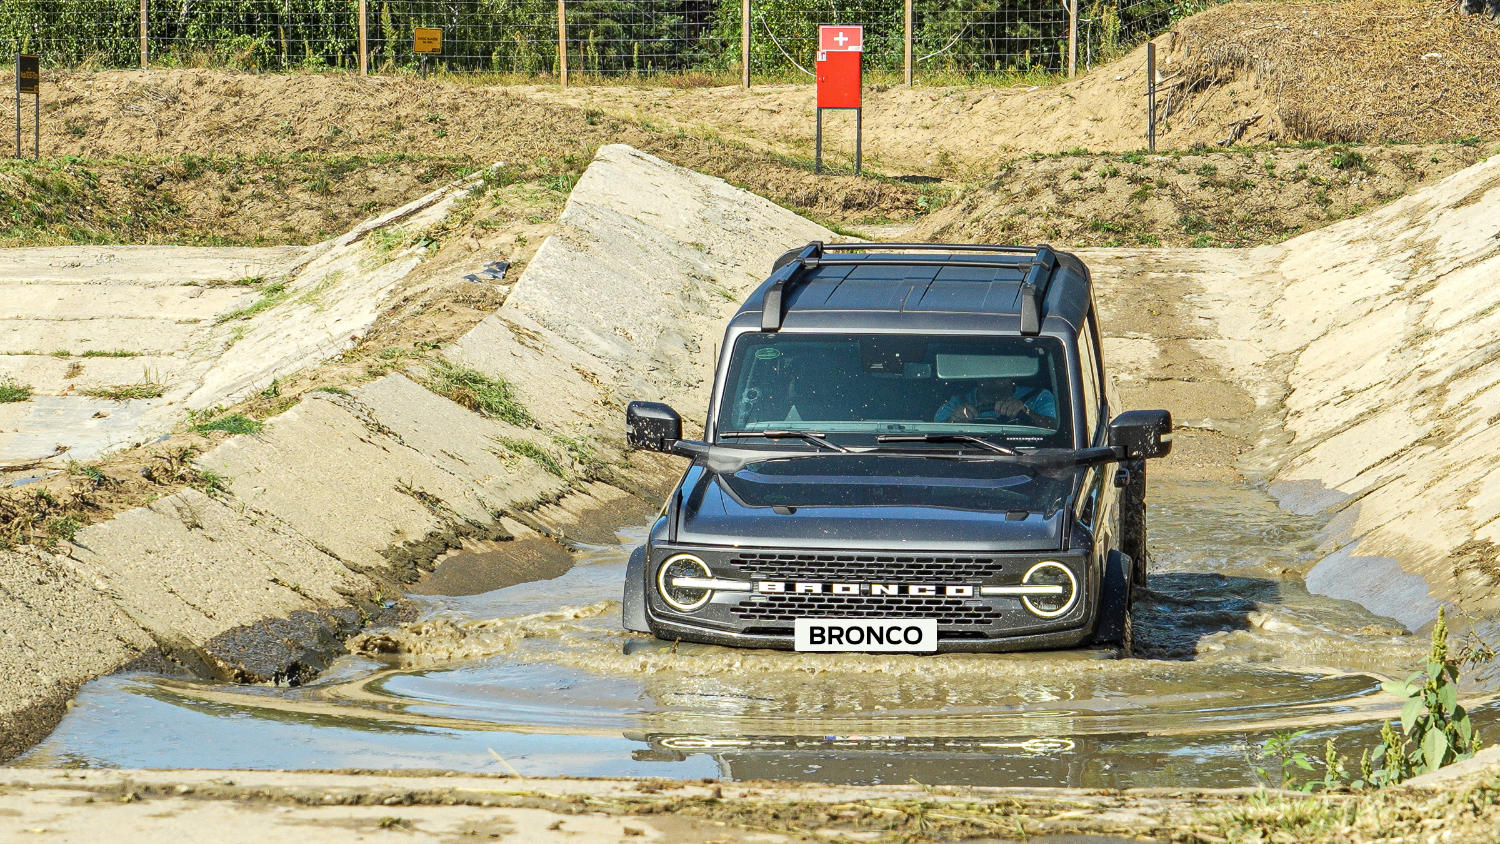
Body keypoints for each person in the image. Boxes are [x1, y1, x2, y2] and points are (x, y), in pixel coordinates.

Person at [935, 377, 1056, 427]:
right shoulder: (957, 402)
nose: (992, 375)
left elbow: (1058, 428)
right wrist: (954, 420)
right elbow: (935, 433)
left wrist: (1026, 412)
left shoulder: (1038, 396)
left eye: (999, 365)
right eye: (985, 368)